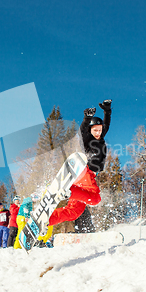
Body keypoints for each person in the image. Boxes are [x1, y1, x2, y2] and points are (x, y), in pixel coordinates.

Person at [39, 99, 112, 243]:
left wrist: (107, 111)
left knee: (73, 212)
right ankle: (68, 191)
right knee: (96, 199)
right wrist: (86, 119)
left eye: (100, 130)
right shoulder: (87, 138)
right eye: (95, 130)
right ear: (90, 130)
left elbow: (106, 125)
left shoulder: (101, 137)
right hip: (85, 173)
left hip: (79, 182)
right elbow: (83, 130)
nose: (98, 133)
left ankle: (45, 220)